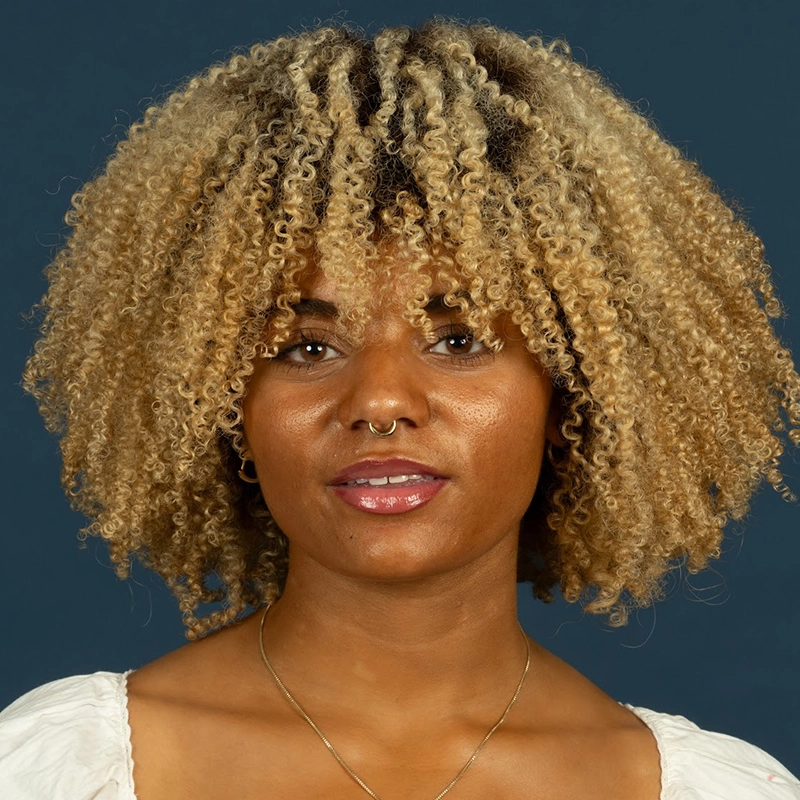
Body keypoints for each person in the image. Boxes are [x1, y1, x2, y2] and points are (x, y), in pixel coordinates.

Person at [1, 19, 798, 799]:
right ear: (221, 401)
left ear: (572, 393)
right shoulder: (60, 770)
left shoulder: (710, 788)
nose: (380, 401)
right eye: (307, 349)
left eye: (459, 341)